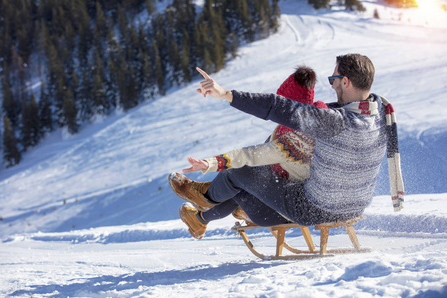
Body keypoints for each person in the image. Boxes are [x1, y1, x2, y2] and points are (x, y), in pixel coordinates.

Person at [170, 53, 405, 240]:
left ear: (346, 81)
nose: (332, 85)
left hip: (314, 208)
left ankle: (204, 197)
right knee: (259, 178)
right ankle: (201, 218)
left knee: (242, 172)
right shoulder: (380, 112)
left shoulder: (334, 121)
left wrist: (225, 94)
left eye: (333, 79)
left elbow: (279, 107)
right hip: (355, 207)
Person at [170, 66, 327, 239]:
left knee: (241, 176)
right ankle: (201, 217)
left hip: (285, 209)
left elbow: (251, 156)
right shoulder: (317, 123)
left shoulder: (295, 138)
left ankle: (204, 198)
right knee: (246, 178)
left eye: (281, 103)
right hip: (291, 198)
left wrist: (211, 164)